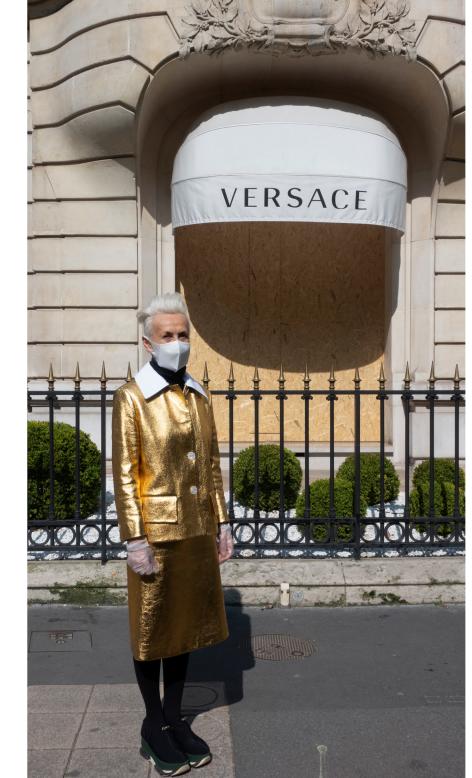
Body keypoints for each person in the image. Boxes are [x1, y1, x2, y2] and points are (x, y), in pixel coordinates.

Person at [112, 292, 235, 776]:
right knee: (152, 632)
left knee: (183, 628)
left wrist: (223, 521)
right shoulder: (132, 397)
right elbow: (124, 472)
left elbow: (211, 465)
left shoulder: (199, 394)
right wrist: (133, 538)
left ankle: (173, 718)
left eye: (184, 335)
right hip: (156, 533)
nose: (178, 343)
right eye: (168, 336)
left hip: (197, 528)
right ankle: (152, 725)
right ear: (148, 342)